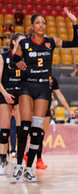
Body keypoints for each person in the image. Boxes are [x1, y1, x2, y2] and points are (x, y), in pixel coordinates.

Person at [10, 9, 78, 182]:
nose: (41, 25)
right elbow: (13, 60)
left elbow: (75, 43)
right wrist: (17, 63)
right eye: (38, 23)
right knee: (24, 127)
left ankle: (28, 168)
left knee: (36, 132)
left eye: (44, 22)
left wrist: (74, 22)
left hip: (43, 88)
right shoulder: (24, 43)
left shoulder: (51, 42)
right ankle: (18, 166)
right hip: (27, 86)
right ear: (32, 26)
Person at [24, 76, 74, 169]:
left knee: (41, 135)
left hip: (46, 109)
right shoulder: (33, 74)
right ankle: (33, 158)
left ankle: (36, 158)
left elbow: (60, 95)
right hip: (34, 109)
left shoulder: (52, 79)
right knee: (35, 135)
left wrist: (68, 109)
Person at [0, 33, 25, 175]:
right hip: (5, 96)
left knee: (22, 132)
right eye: (21, 41)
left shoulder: (25, 58)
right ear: (14, 42)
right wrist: (5, 94)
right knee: (4, 132)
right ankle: (3, 160)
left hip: (21, 97)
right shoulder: (3, 57)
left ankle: (20, 163)